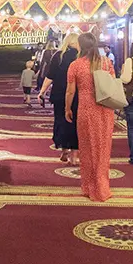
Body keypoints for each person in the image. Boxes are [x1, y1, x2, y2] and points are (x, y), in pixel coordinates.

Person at [65, 32, 115, 201]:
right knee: (103, 148)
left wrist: (67, 108)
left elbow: (70, 91)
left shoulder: (76, 65)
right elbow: (112, 84)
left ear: (81, 46)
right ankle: (102, 187)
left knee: (87, 149)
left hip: (86, 109)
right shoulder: (107, 63)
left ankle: (89, 187)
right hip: (105, 109)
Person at [38, 33, 79, 164]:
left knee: (61, 121)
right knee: (75, 124)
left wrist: (42, 92)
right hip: (77, 95)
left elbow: (50, 76)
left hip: (59, 94)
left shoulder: (58, 56)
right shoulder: (81, 56)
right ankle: (74, 155)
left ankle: (64, 149)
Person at [37, 41, 57, 106]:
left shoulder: (45, 51)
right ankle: (53, 98)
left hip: (47, 68)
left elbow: (43, 62)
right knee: (55, 84)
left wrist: (41, 71)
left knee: (47, 83)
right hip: (55, 68)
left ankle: (43, 95)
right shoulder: (57, 51)